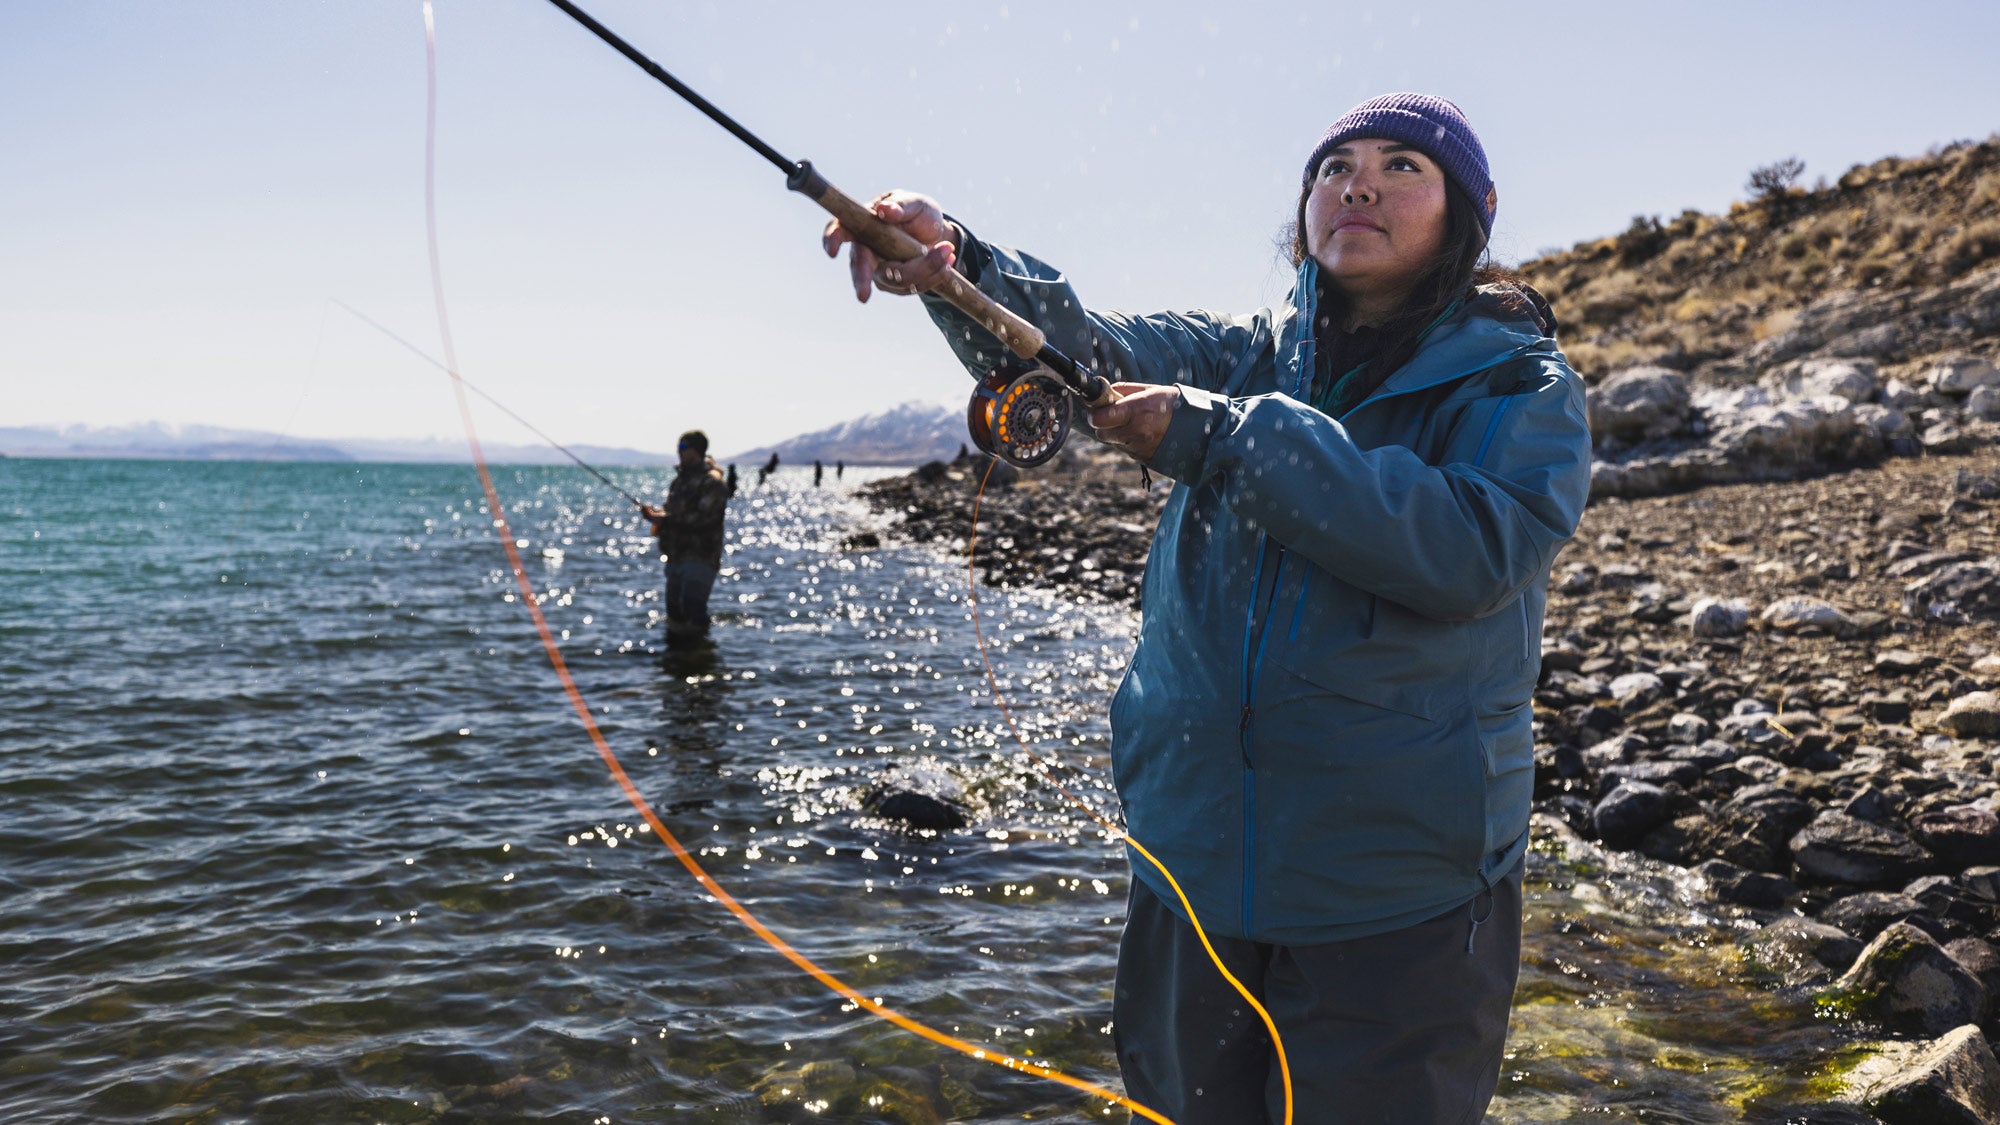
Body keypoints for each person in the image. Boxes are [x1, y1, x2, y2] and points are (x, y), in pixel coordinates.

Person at [823, 93, 1592, 1123]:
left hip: (1395, 888)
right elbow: (1081, 346)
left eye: (1401, 165)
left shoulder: (1519, 385)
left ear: (1471, 208)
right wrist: (956, 260)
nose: (1357, 182)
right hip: (1189, 865)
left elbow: (1468, 549)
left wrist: (1225, 441)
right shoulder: (1238, 352)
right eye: (1333, 167)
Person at [641, 429, 732, 647]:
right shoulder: (680, 481)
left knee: (692, 607)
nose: (678, 452)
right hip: (676, 556)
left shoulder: (713, 482)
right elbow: (671, 512)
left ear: (696, 451)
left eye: (683, 447)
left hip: (701, 556)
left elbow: (703, 519)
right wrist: (656, 517)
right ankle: (679, 664)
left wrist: (664, 520)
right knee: (675, 612)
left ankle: (700, 657)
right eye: (678, 447)